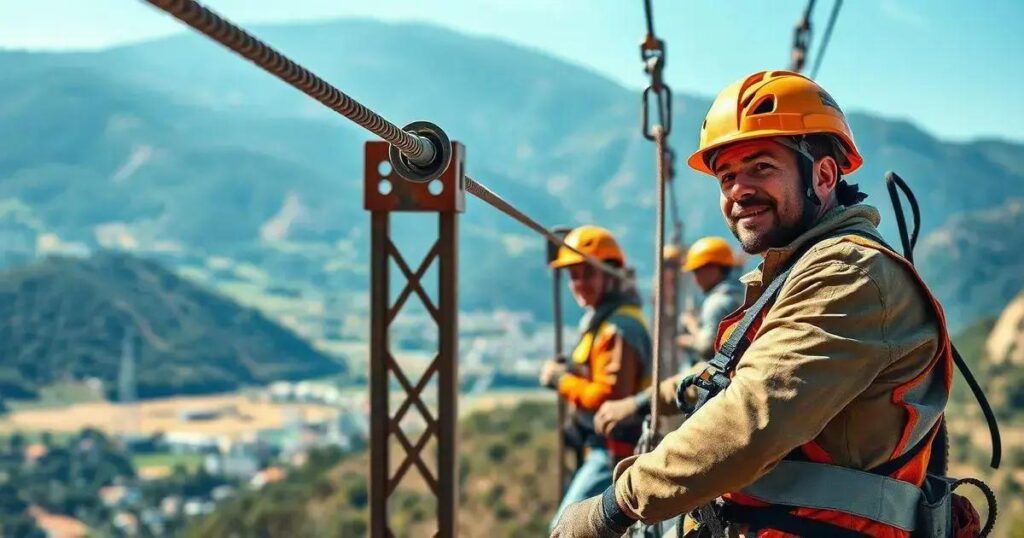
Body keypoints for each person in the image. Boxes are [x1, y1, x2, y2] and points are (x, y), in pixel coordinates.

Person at [551, 70, 954, 537]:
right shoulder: (797, 270)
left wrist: (614, 506)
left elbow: (751, 417)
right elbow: (741, 373)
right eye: (726, 177)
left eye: (761, 167)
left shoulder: (848, 274)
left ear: (823, 175)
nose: (738, 190)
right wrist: (648, 401)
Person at [539, 225, 652, 533]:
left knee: (564, 530)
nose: (578, 284)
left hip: (613, 451)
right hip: (605, 446)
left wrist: (561, 380)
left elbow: (609, 400)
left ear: (610, 275)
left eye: (587, 274)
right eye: (573, 276)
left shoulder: (617, 329)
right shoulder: (606, 322)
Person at [593, 237, 743, 438]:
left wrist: (690, 331)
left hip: (715, 385)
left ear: (713, 268)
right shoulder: (738, 296)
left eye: (698, 271)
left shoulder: (715, 303)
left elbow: (708, 349)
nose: (696, 279)